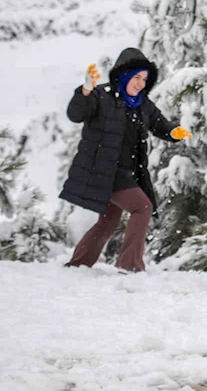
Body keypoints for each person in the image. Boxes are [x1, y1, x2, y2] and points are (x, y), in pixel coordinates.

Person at [61, 48, 192, 273]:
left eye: (144, 79)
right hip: (104, 170)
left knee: (109, 220)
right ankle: (130, 265)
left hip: (125, 172)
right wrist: (85, 91)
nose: (141, 83)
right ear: (123, 75)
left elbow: (159, 123)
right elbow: (76, 114)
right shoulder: (101, 96)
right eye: (136, 77)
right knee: (143, 207)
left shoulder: (142, 104)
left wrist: (173, 132)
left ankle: (78, 264)